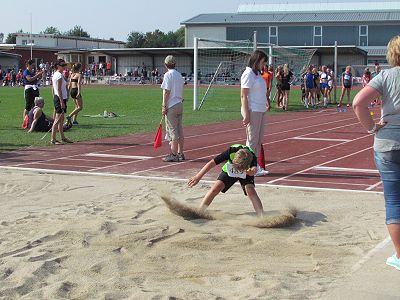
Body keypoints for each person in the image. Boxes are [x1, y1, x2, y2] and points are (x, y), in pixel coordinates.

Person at [353, 35, 400, 271]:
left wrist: (371, 127)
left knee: (394, 201)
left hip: (388, 143)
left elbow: (358, 103)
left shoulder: (386, 76)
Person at [188, 144, 264, 217]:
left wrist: (250, 172)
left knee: (250, 191)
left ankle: (261, 216)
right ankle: (200, 211)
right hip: (231, 169)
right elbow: (211, 163)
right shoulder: (231, 151)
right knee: (215, 188)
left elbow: (254, 170)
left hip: (245, 171)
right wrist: (198, 177)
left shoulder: (252, 157)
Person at [240, 49, 269, 176]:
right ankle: (247, 167)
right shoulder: (248, 74)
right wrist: (246, 114)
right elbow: (243, 95)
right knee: (252, 140)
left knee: (258, 140)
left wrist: (266, 102)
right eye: (263, 62)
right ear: (256, 61)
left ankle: (255, 166)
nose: (264, 65)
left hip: (261, 109)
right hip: (253, 110)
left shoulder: (256, 74)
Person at [161, 55, 185, 162]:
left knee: (173, 130)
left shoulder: (168, 75)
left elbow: (166, 91)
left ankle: (174, 154)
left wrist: (164, 105)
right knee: (180, 129)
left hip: (171, 105)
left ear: (166, 64)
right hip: (179, 103)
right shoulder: (179, 75)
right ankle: (180, 153)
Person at [50, 59, 73, 145]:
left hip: (61, 98)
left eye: (64, 65)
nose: (64, 67)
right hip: (60, 98)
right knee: (57, 119)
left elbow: (65, 84)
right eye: (62, 65)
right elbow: (58, 89)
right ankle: (53, 139)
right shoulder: (58, 76)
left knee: (61, 119)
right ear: (58, 66)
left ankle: (63, 137)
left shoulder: (60, 74)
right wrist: (61, 101)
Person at [22, 59, 45, 125]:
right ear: (28, 65)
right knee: (28, 106)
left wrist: (39, 77)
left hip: (34, 88)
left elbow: (35, 80)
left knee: (35, 105)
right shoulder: (26, 72)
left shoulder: (32, 72)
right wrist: (37, 75)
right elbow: (29, 79)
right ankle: (25, 121)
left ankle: (32, 120)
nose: (33, 67)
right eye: (32, 65)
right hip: (29, 89)